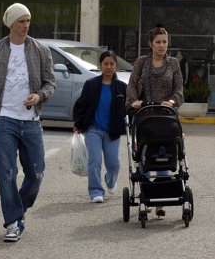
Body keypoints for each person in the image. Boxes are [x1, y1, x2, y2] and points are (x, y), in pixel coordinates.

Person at [0, 3, 55, 242]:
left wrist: (39, 96)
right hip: (5, 120)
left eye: (28, 21)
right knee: (6, 172)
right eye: (21, 21)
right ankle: (12, 223)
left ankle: (18, 210)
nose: (26, 25)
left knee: (37, 173)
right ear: (11, 23)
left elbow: (50, 83)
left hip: (31, 121)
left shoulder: (41, 50)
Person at [126, 26, 184, 216]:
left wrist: (173, 101)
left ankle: (162, 198)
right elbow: (132, 85)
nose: (161, 45)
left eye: (164, 42)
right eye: (158, 42)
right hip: (145, 115)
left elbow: (179, 90)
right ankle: (147, 194)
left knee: (165, 155)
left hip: (166, 117)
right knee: (144, 156)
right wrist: (134, 101)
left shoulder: (174, 63)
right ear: (150, 44)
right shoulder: (142, 62)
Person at [73, 50, 127, 203]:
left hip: (112, 131)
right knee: (95, 161)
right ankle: (96, 191)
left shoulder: (121, 87)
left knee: (113, 164)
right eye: (106, 64)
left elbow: (128, 108)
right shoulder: (91, 85)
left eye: (112, 64)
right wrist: (78, 124)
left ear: (116, 66)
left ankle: (110, 181)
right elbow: (81, 105)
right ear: (100, 65)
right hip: (93, 130)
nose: (109, 67)